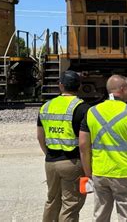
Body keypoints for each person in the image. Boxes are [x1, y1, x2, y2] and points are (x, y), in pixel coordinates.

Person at [79, 75, 127, 221]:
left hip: (100, 171)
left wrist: (88, 173)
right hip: (125, 173)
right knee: (125, 216)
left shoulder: (91, 111)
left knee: (100, 216)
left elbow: (83, 146)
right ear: (122, 89)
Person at [37, 70, 89, 222]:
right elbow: (84, 143)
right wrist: (88, 170)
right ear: (79, 87)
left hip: (51, 162)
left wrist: (49, 154)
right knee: (70, 204)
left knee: (52, 201)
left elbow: (40, 136)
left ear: (60, 86)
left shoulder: (46, 106)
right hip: (72, 163)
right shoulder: (82, 108)